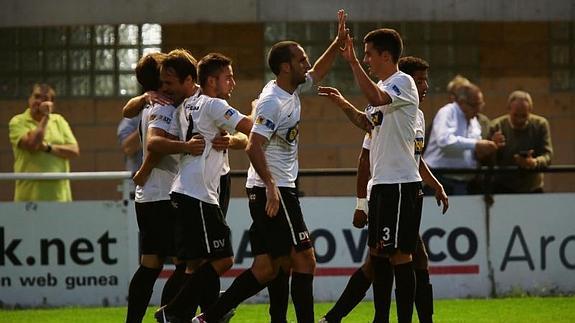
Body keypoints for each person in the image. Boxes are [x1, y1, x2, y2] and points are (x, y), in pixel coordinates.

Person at [191, 10, 349, 323]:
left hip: (268, 187)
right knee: (305, 260)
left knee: (268, 267)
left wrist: (338, 43)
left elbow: (317, 72)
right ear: (286, 67)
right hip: (273, 189)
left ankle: (208, 318)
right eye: (302, 60)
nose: (307, 64)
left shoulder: (291, 89)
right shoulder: (272, 102)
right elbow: (253, 145)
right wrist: (273, 187)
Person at [320, 56, 448, 323]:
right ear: (409, 81)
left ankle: (344, 318)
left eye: (426, 80)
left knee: (401, 257)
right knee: (384, 259)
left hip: (400, 190)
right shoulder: (386, 99)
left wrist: (435, 184)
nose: (425, 86)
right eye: (421, 80)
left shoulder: (416, 115)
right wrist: (360, 203)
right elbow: (365, 156)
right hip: (387, 190)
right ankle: (344, 317)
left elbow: (414, 156)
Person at [152, 52, 253, 323]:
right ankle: (173, 312)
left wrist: (228, 141)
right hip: (198, 194)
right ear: (210, 80)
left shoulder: (186, 107)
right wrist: (258, 108)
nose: (232, 83)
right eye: (227, 78)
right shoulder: (212, 105)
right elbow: (253, 128)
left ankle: (194, 315)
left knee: (194, 264)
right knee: (223, 260)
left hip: (184, 190)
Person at [423, 82, 500, 195]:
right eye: (475, 105)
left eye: (480, 105)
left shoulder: (474, 120)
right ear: (462, 102)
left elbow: (472, 151)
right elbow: (444, 141)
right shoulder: (447, 112)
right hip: (440, 179)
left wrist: (487, 148)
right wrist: (476, 144)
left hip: (465, 183)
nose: (478, 109)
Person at [8, 83, 80, 202]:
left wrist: (47, 148)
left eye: (45, 99)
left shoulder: (59, 121)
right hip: (28, 197)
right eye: (36, 97)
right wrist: (46, 118)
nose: (40, 102)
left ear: (52, 104)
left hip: (59, 197)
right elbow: (33, 144)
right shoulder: (17, 121)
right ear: (29, 99)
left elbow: (74, 151)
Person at [489, 90, 553, 193]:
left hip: (533, 186)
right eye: (515, 115)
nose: (519, 120)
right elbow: (487, 160)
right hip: (503, 186)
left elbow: (548, 155)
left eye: (524, 116)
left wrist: (534, 162)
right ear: (508, 110)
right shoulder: (496, 126)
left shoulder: (540, 125)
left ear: (530, 111)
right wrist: (493, 146)